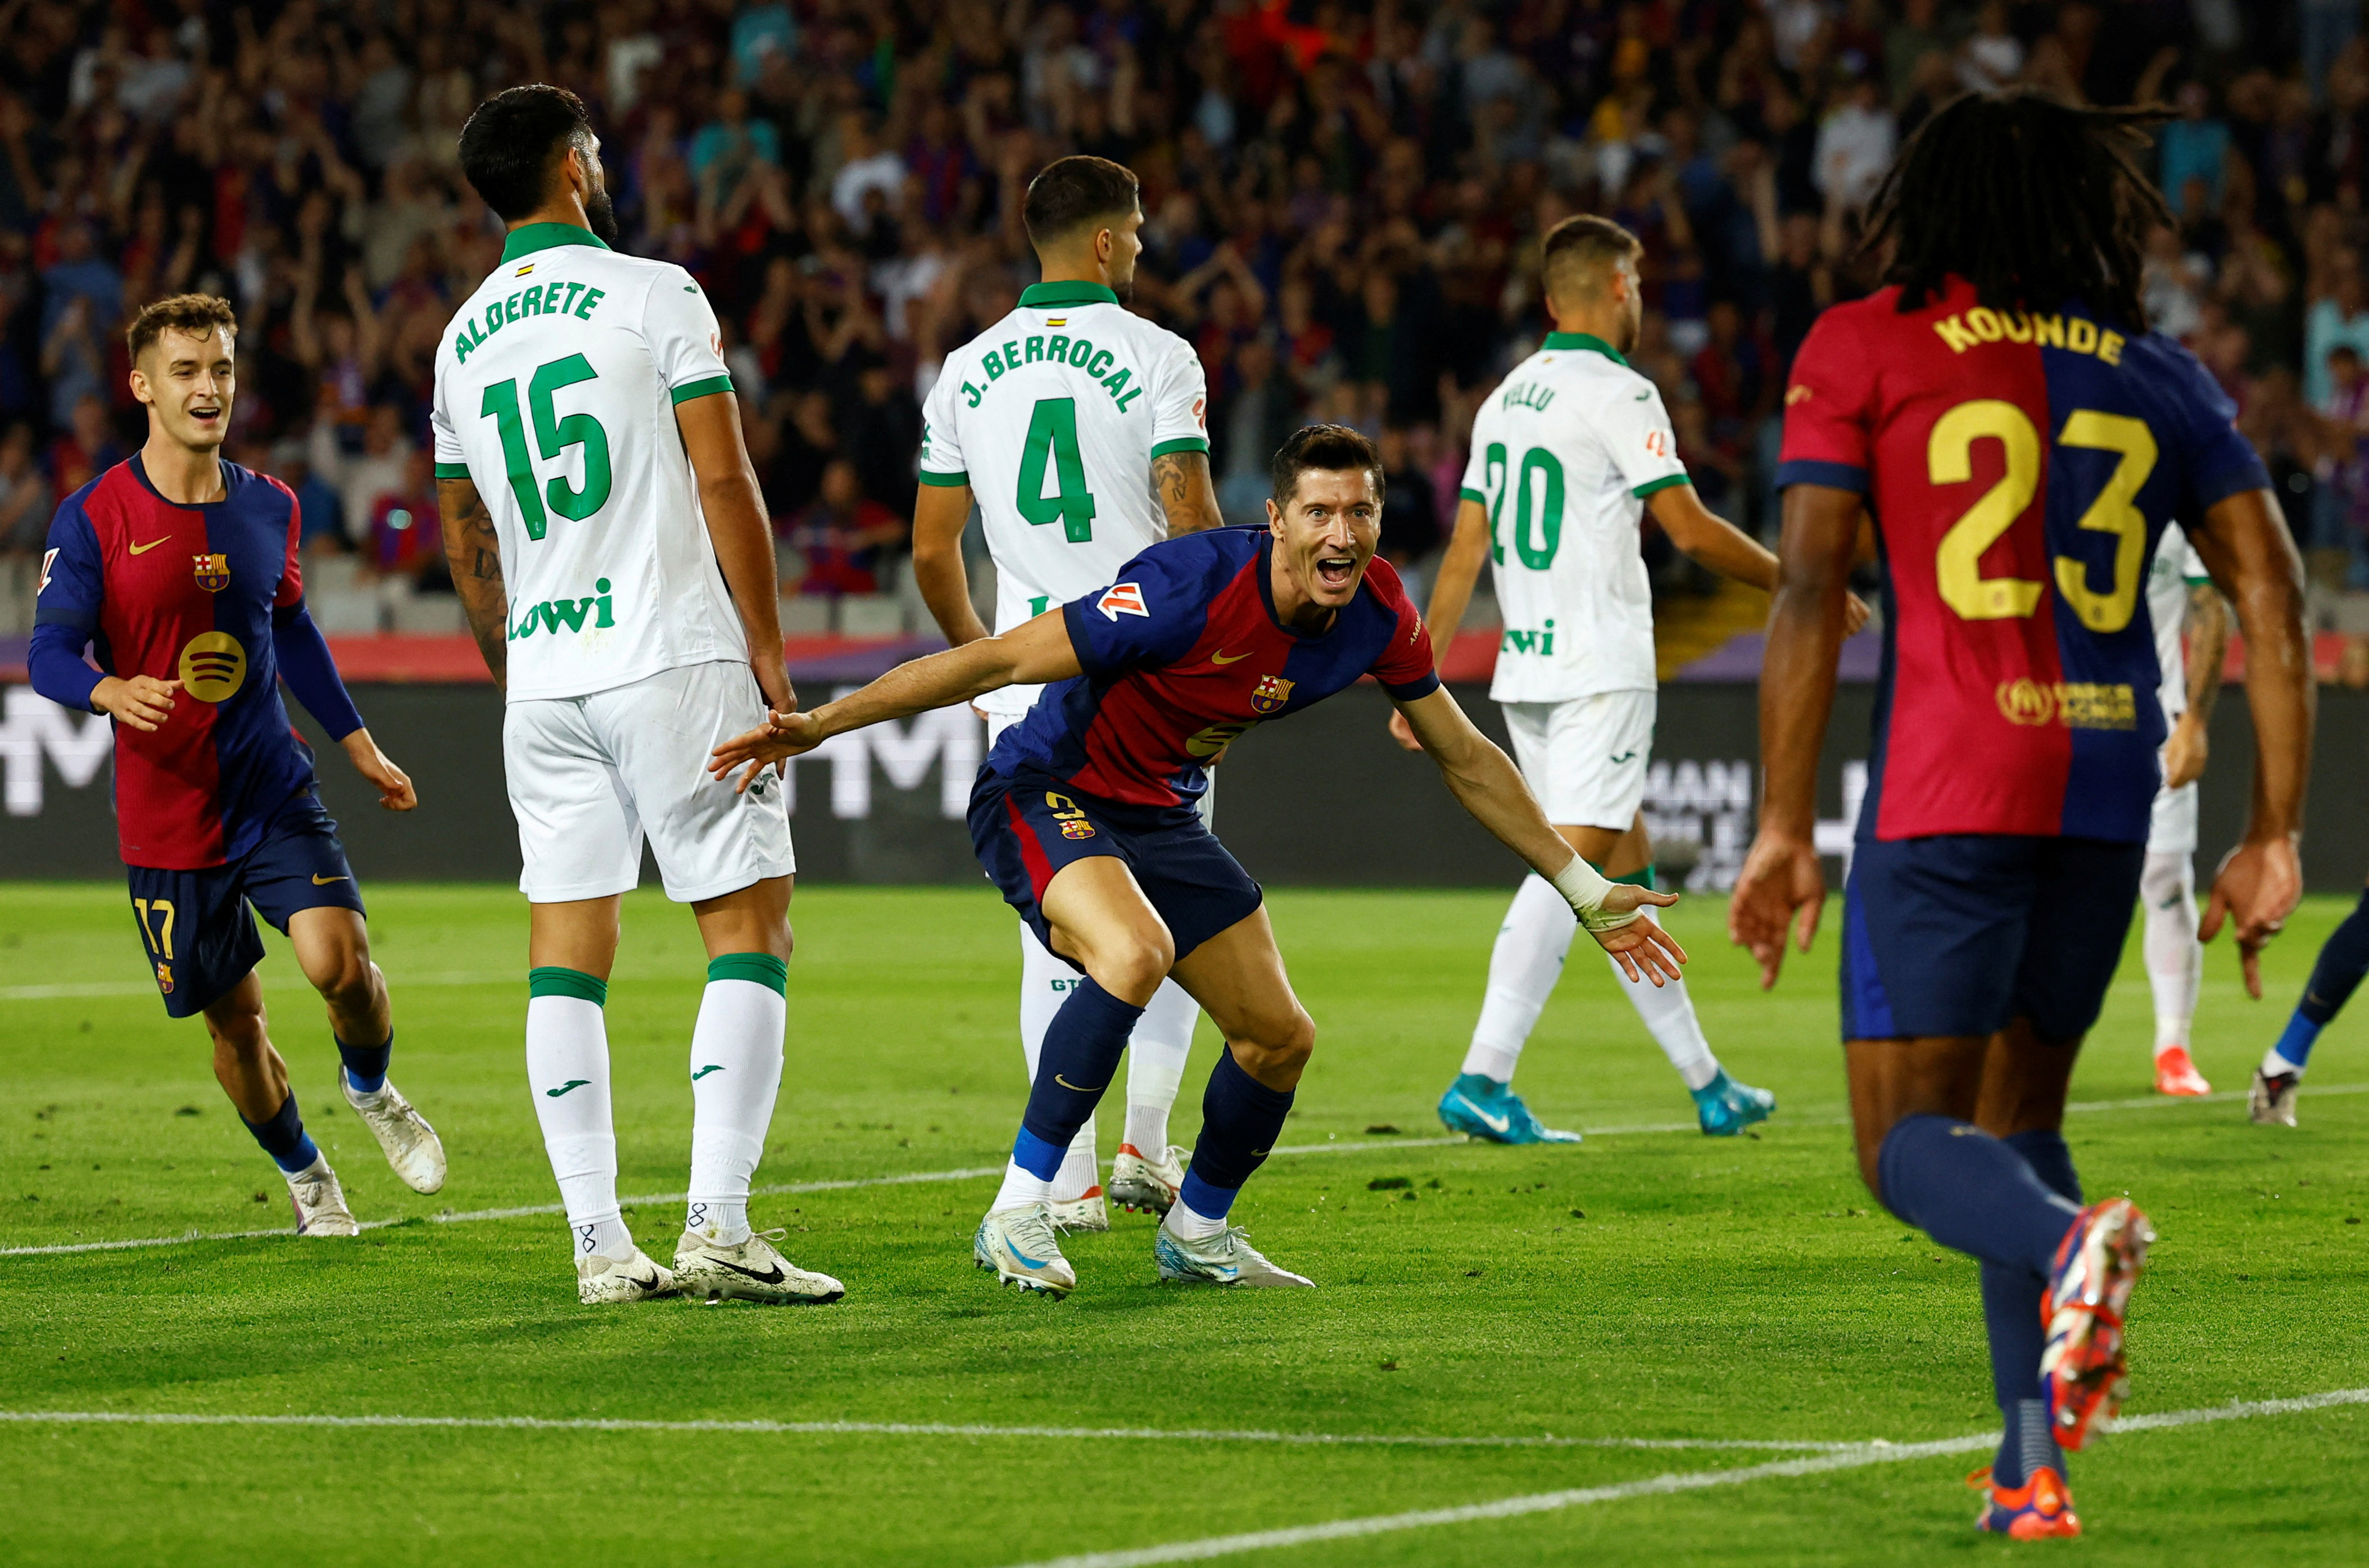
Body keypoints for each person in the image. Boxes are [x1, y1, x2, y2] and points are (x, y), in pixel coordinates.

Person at [713, 424, 1686, 1297]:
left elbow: (1467, 758)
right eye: (1318, 512)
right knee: (1133, 954)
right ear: (1276, 521)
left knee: (1279, 1037)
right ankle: (1017, 1210)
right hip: (1048, 788)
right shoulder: (1187, 588)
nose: (1340, 535)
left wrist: (1583, 887)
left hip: (1161, 818)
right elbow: (1002, 662)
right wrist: (825, 723)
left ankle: (1199, 1230)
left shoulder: (1381, 613)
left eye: (1360, 511)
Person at [1731, 92, 2312, 1540]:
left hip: (1949, 780)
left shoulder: (1864, 341)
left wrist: (1780, 823)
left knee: (1903, 1144)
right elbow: (2274, 596)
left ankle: (2070, 1250)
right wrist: (2275, 828)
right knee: (2015, 1114)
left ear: (1925, 202)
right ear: (2087, 212)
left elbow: (1808, 589)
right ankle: (2025, 1462)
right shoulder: (2156, 369)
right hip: (2108, 788)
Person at [432, 85, 839, 1309]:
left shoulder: (461, 338)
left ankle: (600, 1244)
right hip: (671, 653)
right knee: (748, 930)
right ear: (570, 166)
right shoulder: (655, 292)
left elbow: (463, 530)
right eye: (594, 147)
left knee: (566, 953)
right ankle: (717, 1223)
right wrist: (769, 653)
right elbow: (724, 479)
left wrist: (515, 671)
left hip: (546, 679)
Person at [1395, 215, 1859, 1142]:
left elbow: (1464, 550)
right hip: (1600, 667)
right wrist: (1800, 579)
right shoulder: (1623, 392)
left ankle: (1708, 1083)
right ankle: (1483, 1075)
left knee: (1622, 870)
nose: (1643, 301)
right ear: (1615, 288)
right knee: (1567, 869)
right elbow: (1685, 529)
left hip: (1527, 672)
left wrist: (1421, 672)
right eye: (1639, 285)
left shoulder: (1505, 400)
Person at [28, 293, 442, 1235]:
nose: (207, 387)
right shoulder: (95, 516)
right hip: (169, 814)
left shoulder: (271, 506)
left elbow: (290, 626)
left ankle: (372, 1090)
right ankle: (307, 1176)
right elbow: (49, 651)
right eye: (185, 371)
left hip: (271, 784)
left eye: (219, 369)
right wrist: (109, 691)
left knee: (340, 963)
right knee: (237, 1028)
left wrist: (359, 743)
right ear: (142, 386)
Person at [908, 153, 1225, 1229]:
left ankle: (1081, 1179)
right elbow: (1192, 529)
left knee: (1056, 933)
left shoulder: (964, 369)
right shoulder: (1159, 355)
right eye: (1134, 231)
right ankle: (1144, 1143)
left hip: (1028, 682)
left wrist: (980, 660)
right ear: (1103, 241)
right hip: (1148, 683)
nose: (1140, 247)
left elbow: (931, 547)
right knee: (1183, 909)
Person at [2138, 524, 2228, 1096]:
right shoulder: (2053, 481)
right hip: (2064, 717)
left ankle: (2173, 1046)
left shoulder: (2176, 492)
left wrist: (2195, 718)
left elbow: (2210, 611)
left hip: (2161, 724)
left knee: (2167, 879)